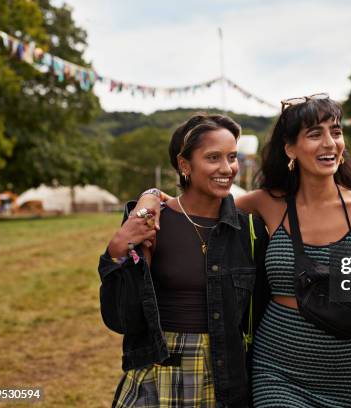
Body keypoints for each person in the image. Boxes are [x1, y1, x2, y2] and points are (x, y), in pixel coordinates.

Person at [137, 95, 351, 407]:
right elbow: (197, 203)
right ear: (290, 148)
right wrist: (151, 195)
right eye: (315, 134)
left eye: (335, 132)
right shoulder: (267, 202)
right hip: (276, 366)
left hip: (345, 369)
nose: (329, 143)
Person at [98, 114, 270, 408]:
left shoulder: (251, 229)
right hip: (158, 373)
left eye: (232, 157)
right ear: (184, 165)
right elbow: (121, 319)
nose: (227, 168)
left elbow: (265, 316)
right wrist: (116, 253)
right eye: (213, 157)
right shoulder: (150, 222)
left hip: (227, 380)